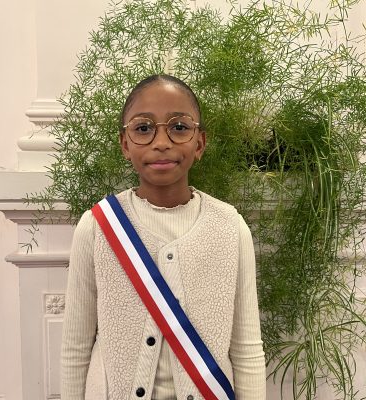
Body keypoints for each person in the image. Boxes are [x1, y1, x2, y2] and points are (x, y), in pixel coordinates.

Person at [61, 74, 266, 400]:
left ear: (200, 143)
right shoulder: (97, 227)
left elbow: (247, 349)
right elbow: (75, 348)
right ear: (124, 144)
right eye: (143, 128)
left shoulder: (231, 228)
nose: (161, 142)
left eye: (179, 127)